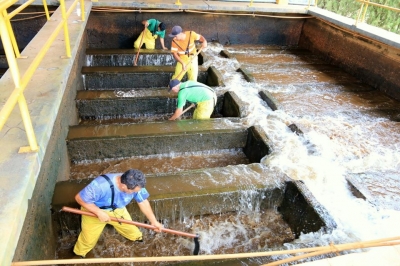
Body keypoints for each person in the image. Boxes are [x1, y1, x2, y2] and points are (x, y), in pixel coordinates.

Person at [73, 169, 163, 258]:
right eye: (134, 192)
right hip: (93, 211)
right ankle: (79, 253)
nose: (136, 193)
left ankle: (137, 239)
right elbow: (79, 198)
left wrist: (154, 221)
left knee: (131, 229)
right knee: (88, 239)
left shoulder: (136, 184)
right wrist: (98, 212)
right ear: (123, 186)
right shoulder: (100, 185)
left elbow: (143, 202)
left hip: (117, 209)